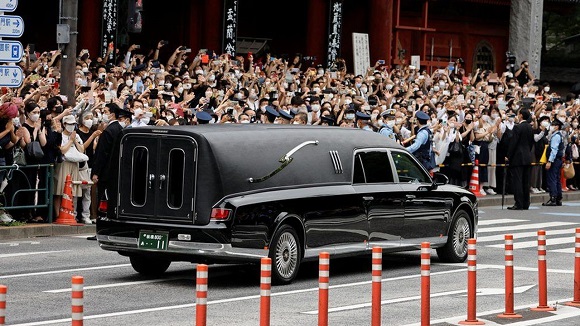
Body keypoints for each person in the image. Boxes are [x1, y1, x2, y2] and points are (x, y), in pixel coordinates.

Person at [507, 109, 534, 210]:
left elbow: (513, 143)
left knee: (517, 181)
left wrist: (508, 155)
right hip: (527, 156)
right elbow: (531, 143)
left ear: (521, 115)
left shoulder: (517, 127)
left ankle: (518, 203)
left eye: (518, 114)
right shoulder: (530, 127)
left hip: (518, 157)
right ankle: (526, 203)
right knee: (525, 181)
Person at [543, 118, 565, 206]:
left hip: (554, 160)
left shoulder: (556, 136)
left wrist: (549, 161)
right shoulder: (559, 135)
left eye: (553, 125)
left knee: (552, 178)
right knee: (557, 179)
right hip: (558, 160)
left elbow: (554, 150)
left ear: (557, 127)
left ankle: (553, 198)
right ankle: (558, 198)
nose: (551, 127)